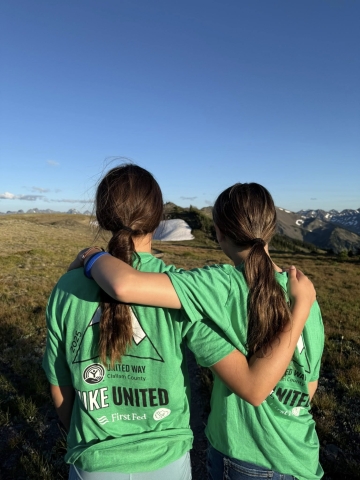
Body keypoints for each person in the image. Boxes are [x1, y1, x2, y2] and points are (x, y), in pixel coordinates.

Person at [73, 179, 324, 480]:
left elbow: (124, 285)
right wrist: (303, 305)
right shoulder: (304, 292)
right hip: (302, 455)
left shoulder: (218, 285)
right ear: (271, 229)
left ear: (219, 233)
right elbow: (308, 388)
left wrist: (91, 256)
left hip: (245, 453)